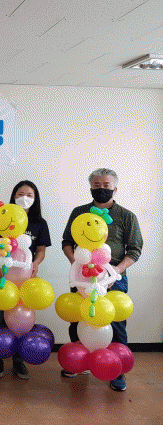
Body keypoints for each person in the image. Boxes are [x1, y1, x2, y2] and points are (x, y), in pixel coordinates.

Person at [61, 168, 142, 392]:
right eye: (97, 185)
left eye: (106, 185)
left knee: (116, 323)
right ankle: (78, 363)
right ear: (90, 188)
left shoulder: (127, 216)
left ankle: (117, 370)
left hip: (113, 279)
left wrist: (116, 270)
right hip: (83, 278)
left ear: (115, 188)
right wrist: (76, 264)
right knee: (78, 319)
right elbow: (66, 241)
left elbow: (135, 250)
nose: (101, 189)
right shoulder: (79, 213)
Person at [0, 181, 51, 379]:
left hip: (25, 278)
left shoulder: (39, 223)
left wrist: (36, 263)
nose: (25, 198)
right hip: (1, 276)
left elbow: (41, 250)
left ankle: (18, 360)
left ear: (35, 199)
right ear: (14, 196)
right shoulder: (2, 217)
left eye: (29, 195)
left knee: (22, 319)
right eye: (20, 193)